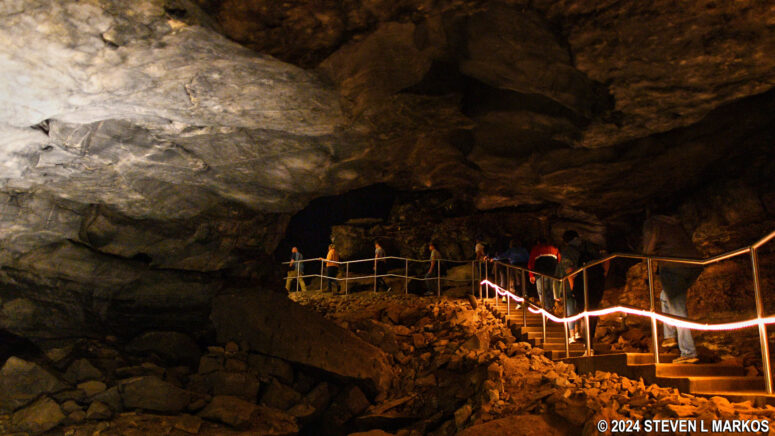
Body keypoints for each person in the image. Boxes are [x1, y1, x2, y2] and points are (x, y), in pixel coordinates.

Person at [643, 214, 703, 364]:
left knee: (678, 309)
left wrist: (646, 257)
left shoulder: (653, 222)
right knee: (665, 296)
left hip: (673, 266)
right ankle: (669, 336)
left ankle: (688, 352)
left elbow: (649, 247)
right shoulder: (676, 222)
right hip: (694, 265)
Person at [528, 238, 561, 313]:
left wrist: (531, 275)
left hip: (540, 273)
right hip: (553, 273)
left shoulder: (536, 248)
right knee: (551, 290)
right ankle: (552, 308)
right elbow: (559, 260)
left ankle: (546, 309)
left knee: (542, 292)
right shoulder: (554, 248)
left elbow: (531, 263)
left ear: (538, 242)